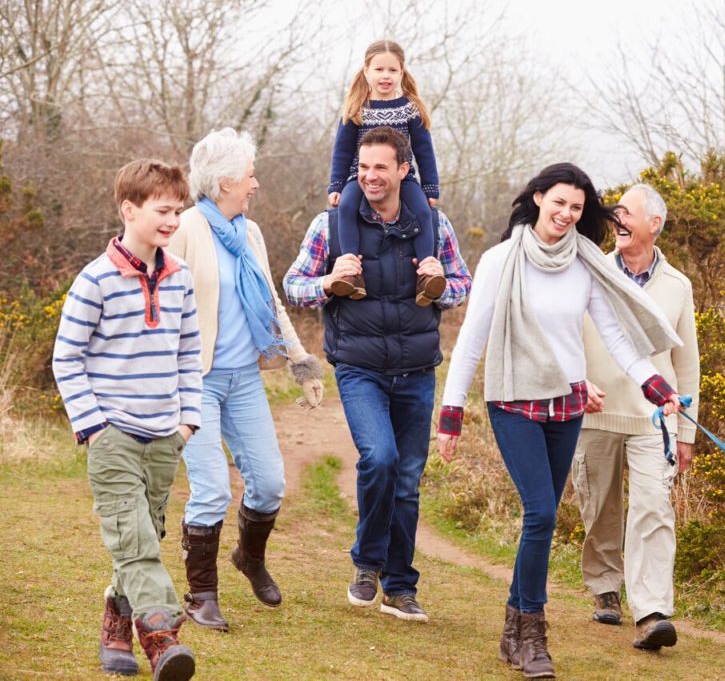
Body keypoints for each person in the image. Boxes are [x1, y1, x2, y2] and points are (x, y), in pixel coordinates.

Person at [436, 163, 687, 679]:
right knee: (541, 514)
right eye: (559, 203)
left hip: (567, 405)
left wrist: (655, 385)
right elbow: (471, 340)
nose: (567, 214)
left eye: (576, 207)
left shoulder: (584, 260)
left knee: (542, 518)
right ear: (537, 199)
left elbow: (615, 336)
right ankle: (533, 634)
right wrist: (451, 413)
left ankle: (513, 631)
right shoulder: (501, 260)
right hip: (514, 402)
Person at [284, 125, 471, 623]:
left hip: (417, 369)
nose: (370, 176)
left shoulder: (435, 225)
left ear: (404, 170)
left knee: (407, 479)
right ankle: (367, 564)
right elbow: (293, 284)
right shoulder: (330, 226)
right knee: (381, 458)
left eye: (380, 168)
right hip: (359, 367)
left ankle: (400, 587)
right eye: (363, 168)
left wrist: (440, 282)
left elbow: (462, 284)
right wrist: (329, 281)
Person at [168, 128, 324, 632]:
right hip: (197, 382)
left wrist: (301, 363)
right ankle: (201, 595)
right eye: (250, 176)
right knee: (211, 488)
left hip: (244, 381)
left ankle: (249, 557)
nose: (255, 184)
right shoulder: (186, 229)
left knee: (270, 483)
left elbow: (270, 301)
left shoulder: (249, 232)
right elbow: (162, 305)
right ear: (225, 182)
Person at [52, 159, 199, 679]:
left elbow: (189, 354)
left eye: (177, 211)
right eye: (162, 211)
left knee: (141, 537)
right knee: (134, 542)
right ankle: (161, 638)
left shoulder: (180, 278)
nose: (172, 220)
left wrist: (187, 423)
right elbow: (66, 358)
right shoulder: (94, 280)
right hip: (112, 435)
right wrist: (94, 427)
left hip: (165, 437)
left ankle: (115, 626)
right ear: (129, 210)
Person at [571, 183, 700, 651]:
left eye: (626, 212)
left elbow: (687, 362)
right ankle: (606, 587)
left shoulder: (678, 286)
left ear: (654, 224)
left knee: (653, 508)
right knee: (598, 507)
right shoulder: (591, 271)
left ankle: (651, 611)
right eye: (616, 213)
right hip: (596, 412)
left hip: (654, 420)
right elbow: (567, 334)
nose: (617, 220)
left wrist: (686, 432)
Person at [325, 39, 445, 307]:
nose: (386, 76)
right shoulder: (357, 108)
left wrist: (430, 187)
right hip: (360, 176)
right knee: (346, 208)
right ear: (366, 71)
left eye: (392, 70)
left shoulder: (410, 108)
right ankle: (352, 274)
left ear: (402, 72)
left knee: (423, 212)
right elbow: (342, 151)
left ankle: (426, 275)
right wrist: (336, 185)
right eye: (379, 69)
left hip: (402, 177)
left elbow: (424, 151)